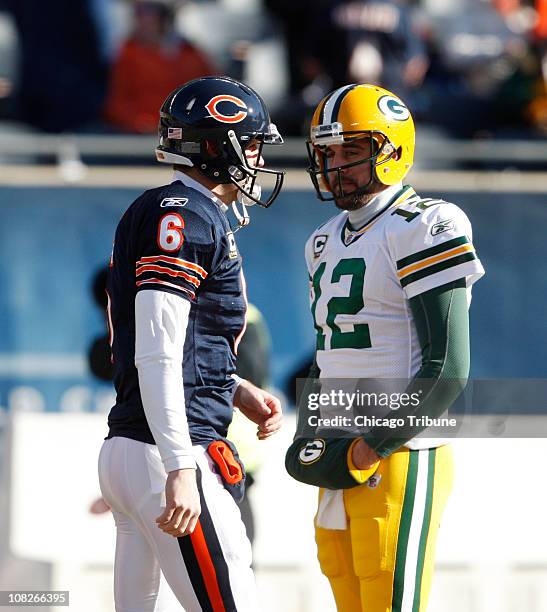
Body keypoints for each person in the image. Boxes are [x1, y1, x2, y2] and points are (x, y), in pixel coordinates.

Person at [285, 84, 485, 611]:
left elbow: (448, 368)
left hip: (397, 450)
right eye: (326, 153)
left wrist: (373, 444)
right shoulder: (323, 239)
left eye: (351, 151)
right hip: (341, 446)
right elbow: (330, 357)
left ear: (391, 149)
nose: (336, 167)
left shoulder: (426, 224)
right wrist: (315, 433)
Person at [98, 75, 284, 612]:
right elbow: (156, 345)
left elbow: (177, 343)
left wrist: (232, 385)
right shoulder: (186, 215)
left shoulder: (163, 206)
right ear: (217, 146)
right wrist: (181, 464)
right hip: (172, 452)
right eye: (249, 144)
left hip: (131, 447)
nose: (255, 157)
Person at [104, 0, 215, 133]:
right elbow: (115, 104)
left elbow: (212, 92)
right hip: (139, 137)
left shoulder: (190, 55)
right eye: (139, 12)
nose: (142, 19)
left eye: (148, 12)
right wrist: (142, 123)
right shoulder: (126, 55)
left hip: (187, 136)